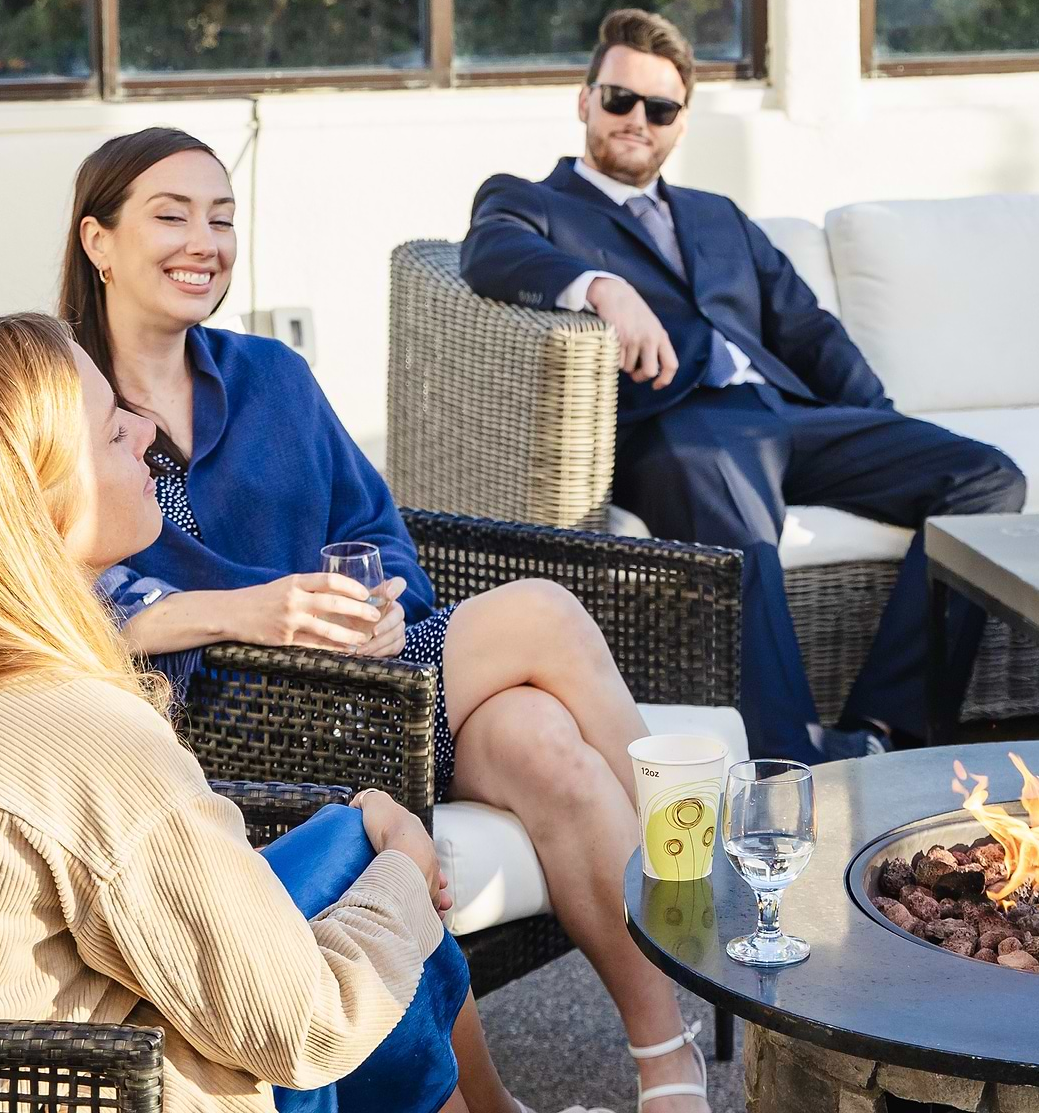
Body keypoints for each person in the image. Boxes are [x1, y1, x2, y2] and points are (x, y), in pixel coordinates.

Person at [63, 128, 709, 1113]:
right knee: (541, 611)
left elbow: (378, 533)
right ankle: (699, 869)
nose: (206, 240)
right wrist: (253, 612)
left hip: (379, 687)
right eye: (172, 214)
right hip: (232, 721)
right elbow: (58, 594)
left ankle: (668, 1064)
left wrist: (381, 607)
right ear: (99, 240)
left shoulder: (270, 378)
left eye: (223, 217)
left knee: (545, 744)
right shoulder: (63, 403)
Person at [0, 313, 469, 1113]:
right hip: (90, 1082)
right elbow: (310, 1027)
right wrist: (407, 878)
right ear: (35, 501)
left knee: (345, 851)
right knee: (366, 865)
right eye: (112, 431)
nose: (145, 433)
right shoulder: (81, 733)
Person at [462, 7, 1026, 765]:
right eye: (620, 99)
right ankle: (790, 763)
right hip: (679, 427)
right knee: (747, 531)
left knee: (988, 480)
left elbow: (806, 329)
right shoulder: (533, 201)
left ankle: (885, 733)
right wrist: (600, 286)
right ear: (585, 99)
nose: (637, 120)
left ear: (681, 122)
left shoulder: (716, 215)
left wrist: (879, 427)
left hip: (787, 418)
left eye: (658, 108)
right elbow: (489, 254)